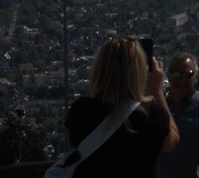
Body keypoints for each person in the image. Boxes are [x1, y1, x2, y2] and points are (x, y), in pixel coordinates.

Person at [64, 36, 179, 177]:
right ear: (138, 71)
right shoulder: (152, 114)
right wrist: (157, 91)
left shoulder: (81, 111)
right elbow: (171, 142)